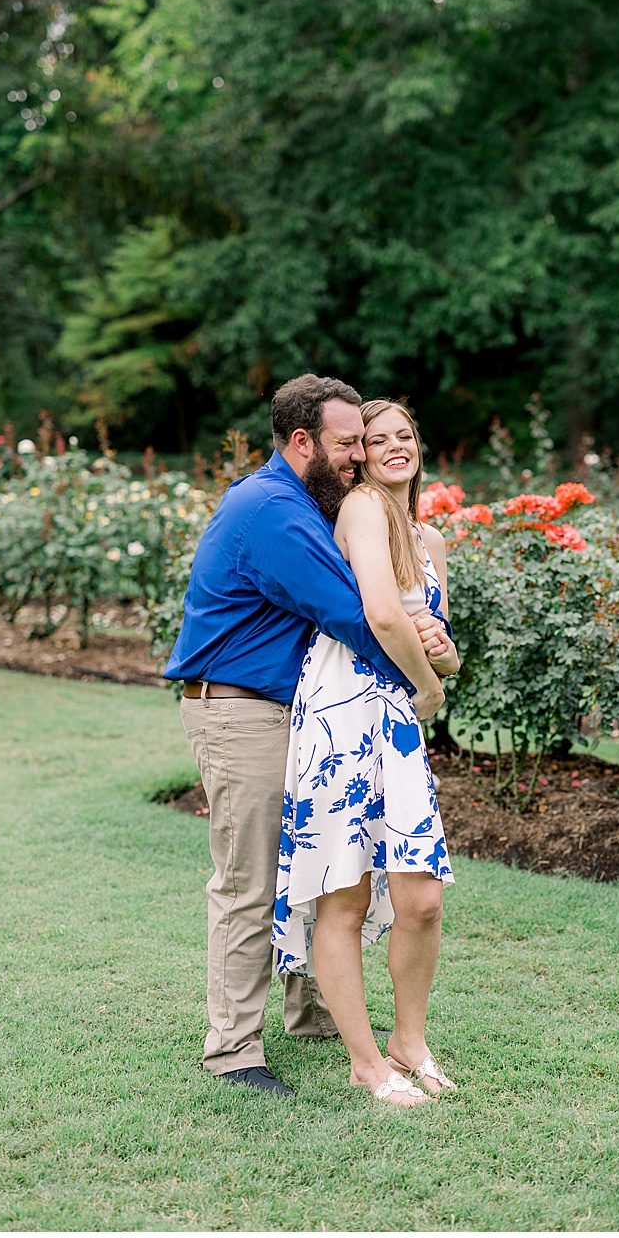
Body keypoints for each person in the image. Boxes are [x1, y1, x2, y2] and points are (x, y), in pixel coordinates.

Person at [166, 375, 448, 1097]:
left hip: (293, 709)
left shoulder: (308, 504)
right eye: (348, 442)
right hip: (240, 710)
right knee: (251, 881)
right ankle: (232, 1049)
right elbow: (353, 615)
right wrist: (427, 669)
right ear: (303, 443)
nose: (358, 456)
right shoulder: (272, 509)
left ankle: (313, 1013)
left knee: (314, 867)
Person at [272, 398, 461, 1107]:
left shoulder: (432, 540)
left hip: (398, 721)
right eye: (375, 439)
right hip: (343, 712)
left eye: (403, 436)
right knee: (344, 896)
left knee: (423, 897)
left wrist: (444, 659)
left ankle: (409, 1040)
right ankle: (364, 1062)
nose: (390, 448)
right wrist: (430, 687)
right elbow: (382, 614)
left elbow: (445, 651)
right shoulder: (360, 510)